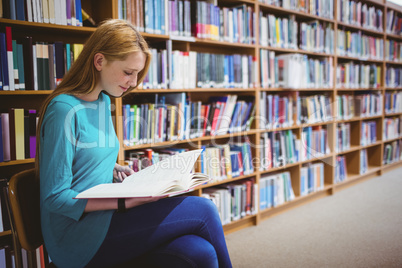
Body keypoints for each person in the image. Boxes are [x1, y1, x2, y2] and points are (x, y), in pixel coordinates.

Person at [36, 19, 233, 268]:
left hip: (108, 217)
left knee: (200, 252)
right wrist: (124, 201)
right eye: (128, 72)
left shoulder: (102, 101)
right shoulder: (63, 110)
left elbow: (86, 156)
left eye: (137, 73)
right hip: (77, 237)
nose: (133, 81)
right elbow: (55, 198)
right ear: (99, 61)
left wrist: (113, 169)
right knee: (204, 209)